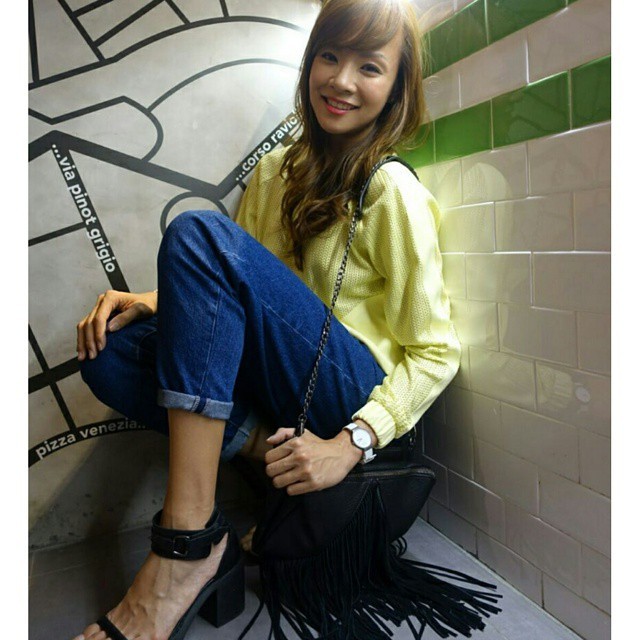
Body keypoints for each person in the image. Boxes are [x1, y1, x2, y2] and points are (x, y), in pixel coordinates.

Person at [72, 0, 461, 638]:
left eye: (369, 67)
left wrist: (351, 443)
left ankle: (187, 545)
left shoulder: (392, 191)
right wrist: (147, 301)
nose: (341, 80)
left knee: (198, 231)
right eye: (330, 56)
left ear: (396, 88)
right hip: (286, 387)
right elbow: (232, 288)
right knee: (109, 353)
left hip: (349, 395)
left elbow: (436, 352)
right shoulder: (277, 170)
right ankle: (273, 457)